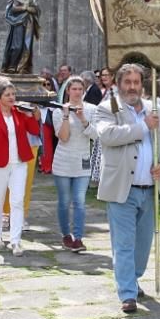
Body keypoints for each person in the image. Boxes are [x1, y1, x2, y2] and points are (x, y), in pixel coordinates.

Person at [95, 63, 160, 313]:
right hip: (122, 188)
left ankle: (132, 277)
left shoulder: (157, 109)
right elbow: (108, 135)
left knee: (142, 245)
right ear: (119, 84)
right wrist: (143, 127)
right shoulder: (108, 108)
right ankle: (127, 293)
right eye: (127, 82)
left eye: (136, 82)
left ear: (143, 84)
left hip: (150, 189)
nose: (132, 86)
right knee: (124, 244)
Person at [0, 78, 41, 256]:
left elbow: (35, 131)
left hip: (19, 163)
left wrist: (30, 115)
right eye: (8, 95)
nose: (12, 97)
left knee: (17, 201)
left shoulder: (20, 113)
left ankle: (15, 241)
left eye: (13, 94)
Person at [52, 76, 97, 251]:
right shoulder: (58, 110)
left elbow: (95, 135)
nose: (77, 92)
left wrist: (83, 118)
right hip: (63, 160)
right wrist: (65, 115)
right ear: (68, 91)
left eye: (80, 89)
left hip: (83, 160)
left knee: (79, 200)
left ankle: (78, 238)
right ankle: (66, 235)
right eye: (74, 89)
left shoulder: (92, 109)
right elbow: (63, 137)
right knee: (64, 201)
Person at [1, 0, 39, 74]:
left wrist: (29, 9)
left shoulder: (31, 0)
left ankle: (23, 67)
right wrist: (24, 8)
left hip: (29, 24)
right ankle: (12, 65)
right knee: (17, 46)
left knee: (27, 46)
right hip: (18, 23)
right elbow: (14, 9)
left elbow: (36, 10)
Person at [89, 66, 114, 184]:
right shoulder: (105, 91)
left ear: (112, 76)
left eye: (106, 75)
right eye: (101, 76)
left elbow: (116, 111)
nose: (103, 78)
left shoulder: (114, 91)